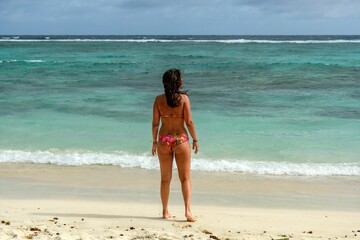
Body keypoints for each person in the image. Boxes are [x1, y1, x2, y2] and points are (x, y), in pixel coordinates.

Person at [152, 68, 199, 222]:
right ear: (179, 82)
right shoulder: (184, 99)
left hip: (164, 140)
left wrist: (154, 141)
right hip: (181, 140)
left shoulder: (158, 100)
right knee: (185, 178)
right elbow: (189, 122)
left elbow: (155, 123)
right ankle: (187, 211)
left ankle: (165, 212)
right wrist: (195, 139)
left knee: (165, 179)